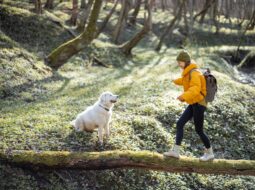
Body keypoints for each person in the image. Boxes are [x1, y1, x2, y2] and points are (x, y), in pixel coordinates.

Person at [163, 50, 214, 161]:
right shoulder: (188, 73)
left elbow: (195, 89)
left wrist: (184, 96)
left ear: (186, 62)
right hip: (193, 102)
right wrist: (174, 81)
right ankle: (175, 152)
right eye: (178, 62)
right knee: (180, 123)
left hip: (200, 103)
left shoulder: (195, 73)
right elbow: (184, 81)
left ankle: (210, 153)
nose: (179, 64)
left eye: (180, 62)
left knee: (199, 130)